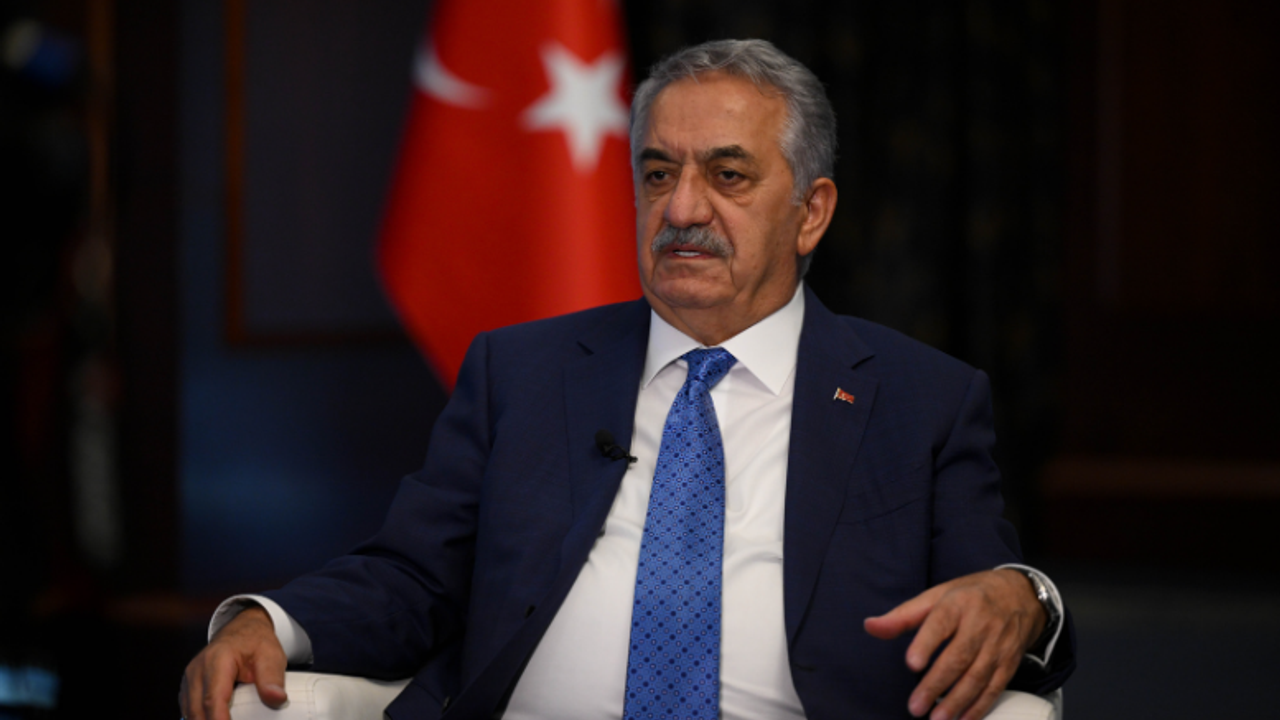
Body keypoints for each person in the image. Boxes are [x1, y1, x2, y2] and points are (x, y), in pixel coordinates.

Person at [181, 39, 1074, 720]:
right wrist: (270, 622)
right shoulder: (521, 372)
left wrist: (1025, 597)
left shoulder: (920, 400)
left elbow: (992, 596)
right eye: (658, 173)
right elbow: (413, 578)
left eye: (728, 175)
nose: (682, 208)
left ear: (811, 213)